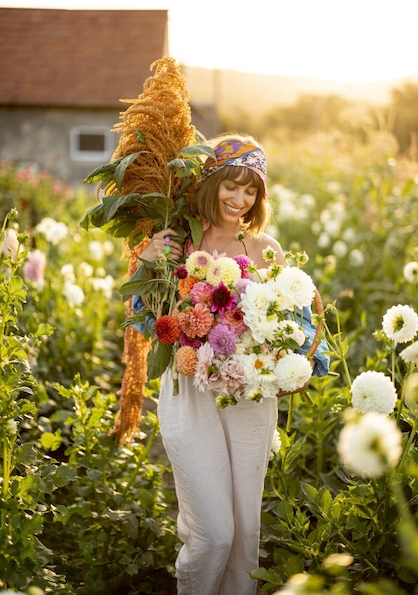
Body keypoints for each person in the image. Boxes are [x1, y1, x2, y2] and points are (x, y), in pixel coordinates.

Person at [137, 133, 329, 595]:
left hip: (248, 397)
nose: (240, 200)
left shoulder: (266, 249)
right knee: (213, 534)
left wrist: (296, 368)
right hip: (190, 393)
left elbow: (300, 325)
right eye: (231, 186)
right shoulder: (179, 239)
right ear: (212, 182)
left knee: (244, 534)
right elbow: (144, 321)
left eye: (251, 190)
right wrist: (145, 265)